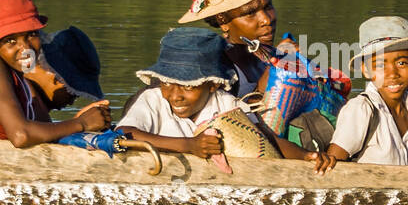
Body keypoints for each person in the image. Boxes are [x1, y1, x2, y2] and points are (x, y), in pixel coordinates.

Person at [117, 27, 334, 171]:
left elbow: (265, 138)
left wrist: (306, 156)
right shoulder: (153, 100)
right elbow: (124, 133)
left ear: (213, 84)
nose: (175, 95)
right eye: (166, 83)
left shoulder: (225, 104)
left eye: (188, 86)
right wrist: (189, 146)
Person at [0, 0, 110, 145]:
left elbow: (42, 138)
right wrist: (82, 123)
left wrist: (81, 122)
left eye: (31, 34)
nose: (26, 48)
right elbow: (20, 135)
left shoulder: (24, 85)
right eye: (10, 41)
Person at [179, 0, 295, 98]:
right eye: (250, 13)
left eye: (268, 6)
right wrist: (266, 82)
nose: (266, 19)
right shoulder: (217, 68)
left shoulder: (265, 54)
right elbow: (220, 117)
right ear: (223, 21)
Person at [329, 17, 408, 165]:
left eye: (402, 63)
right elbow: (333, 162)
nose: (393, 73)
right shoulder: (362, 110)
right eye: (380, 65)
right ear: (366, 70)